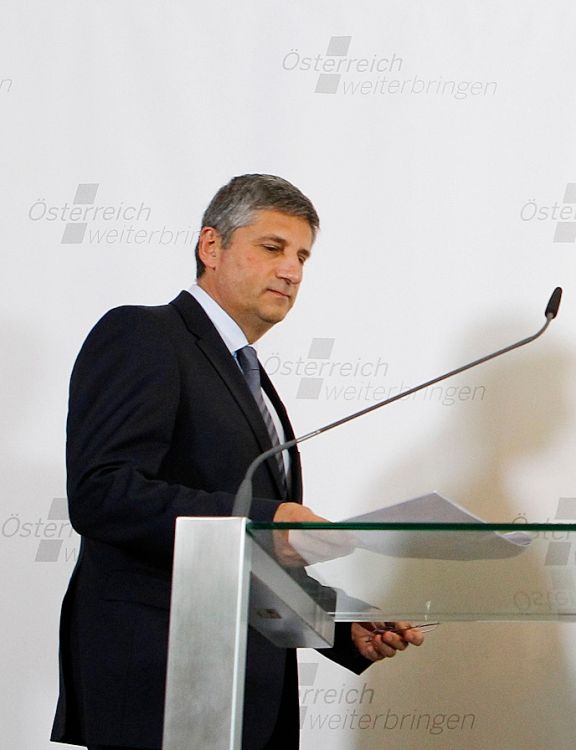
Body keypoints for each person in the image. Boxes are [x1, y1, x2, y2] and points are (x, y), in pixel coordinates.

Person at [53, 174, 424, 750]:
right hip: (160, 683)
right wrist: (266, 520)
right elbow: (104, 493)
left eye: (303, 256)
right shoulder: (144, 335)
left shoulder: (247, 373)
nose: (293, 271)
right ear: (211, 247)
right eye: (272, 248)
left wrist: (342, 629)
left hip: (245, 696)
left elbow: (247, 562)